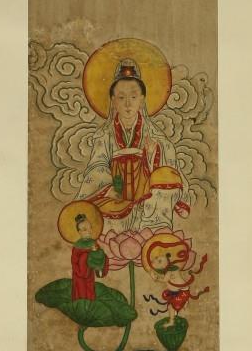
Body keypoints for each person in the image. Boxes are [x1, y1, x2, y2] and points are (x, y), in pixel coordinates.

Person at [77, 58, 190, 231]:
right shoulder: (105, 136)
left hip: (147, 198)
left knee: (165, 183)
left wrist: (152, 156)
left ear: (142, 100)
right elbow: (96, 167)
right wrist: (107, 189)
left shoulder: (155, 135)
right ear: (113, 100)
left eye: (133, 97)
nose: (128, 104)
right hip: (115, 195)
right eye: (121, 97)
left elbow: (169, 165)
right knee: (96, 214)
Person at [70, 213, 108, 300]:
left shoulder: (93, 243)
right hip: (79, 275)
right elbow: (74, 262)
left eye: (90, 228)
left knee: (90, 291)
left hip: (90, 274)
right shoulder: (77, 246)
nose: (89, 231)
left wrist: (99, 266)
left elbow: (99, 257)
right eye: (84, 229)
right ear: (79, 232)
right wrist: (85, 259)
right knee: (81, 292)